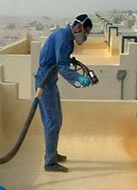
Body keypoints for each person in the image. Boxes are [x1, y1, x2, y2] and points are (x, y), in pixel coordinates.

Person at [35, 14, 93, 173]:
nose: (85, 37)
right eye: (85, 33)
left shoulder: (66, 38)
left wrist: (71, 61)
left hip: (50, 82)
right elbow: (61, 66)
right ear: (78, 27)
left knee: (57, 120)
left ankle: (51, 153)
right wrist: (79, 78)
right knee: (52, 122)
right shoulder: (63, 37)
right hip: (44, 83)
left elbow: (61, 60)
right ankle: (50, 162)